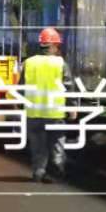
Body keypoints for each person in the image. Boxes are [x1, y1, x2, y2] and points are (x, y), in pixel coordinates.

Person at [21, 26, 70, 182]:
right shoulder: (60, 63)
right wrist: (73, 107)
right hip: (55, 113)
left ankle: (39, 171)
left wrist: (19, 105)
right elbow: (69, 86)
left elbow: (21, 87)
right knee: (56, 143)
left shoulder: (28, 63)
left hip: (33, 114)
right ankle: (57, 168)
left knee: (37, 145)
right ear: (54, 45)